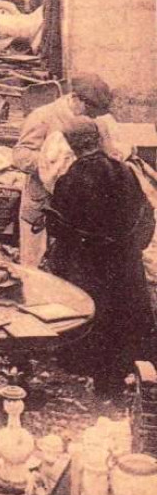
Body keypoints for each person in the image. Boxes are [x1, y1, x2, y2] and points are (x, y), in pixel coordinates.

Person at [46, 120, 156, 395]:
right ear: (96, 140)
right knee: (124, 316)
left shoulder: (70, 178)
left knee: (93, 316)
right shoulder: (125, 171)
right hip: (124, 263)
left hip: (88, 265)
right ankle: (125, 375)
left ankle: (97, 376)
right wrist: (131, 247)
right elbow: (146, 214)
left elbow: (61, 228)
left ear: (71, 145)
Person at [12, 73, 116, 270]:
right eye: (90, 109)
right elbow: (20, 155)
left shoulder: (95, 121)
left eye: (97, 112)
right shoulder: (43, 116)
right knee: (34, 262)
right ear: (75, 98)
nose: (93, 116)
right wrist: (54, 165)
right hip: (42, 201)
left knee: (69, 264)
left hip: (75, 205)